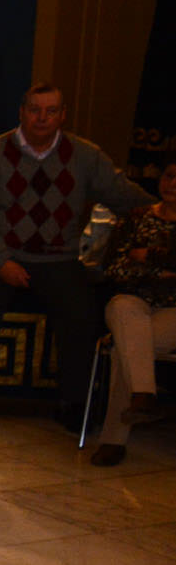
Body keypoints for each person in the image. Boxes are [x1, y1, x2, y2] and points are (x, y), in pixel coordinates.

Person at [0, 83, 151, 431]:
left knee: (80, 312)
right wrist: (2, 262)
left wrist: (163, 210)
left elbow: (125, 197)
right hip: (0, 257)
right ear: (22, 112)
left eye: (50, 111)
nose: (42, 118)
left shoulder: (86, 155)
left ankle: (72, 403)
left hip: (58, 259)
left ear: (63, 114)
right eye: (35, 109)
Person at [90, 158, 176, 466]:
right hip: (133, 302)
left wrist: (148, 257)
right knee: (124, 310)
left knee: (126, 347)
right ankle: (143, 394)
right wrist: (163, 269)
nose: (172, 183)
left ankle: (114, 439)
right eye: (168, 175)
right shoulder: (137, 218)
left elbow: (139, 264)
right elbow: (115, 269)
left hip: (173, 311)